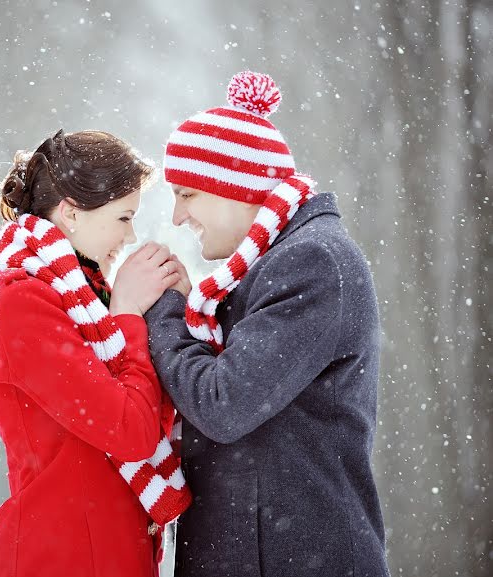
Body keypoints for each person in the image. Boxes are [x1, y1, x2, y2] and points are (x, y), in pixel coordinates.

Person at [121, 72, 391, 576]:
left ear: (236, 188)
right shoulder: (279, 264)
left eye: (187, 194)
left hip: (296, 560)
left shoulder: (310, 262)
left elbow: (223, 404)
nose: (177, 217)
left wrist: (161, 313)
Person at [0, 129, 192, 577]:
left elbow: (149, 411)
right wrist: (130, 314)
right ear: (71, 212)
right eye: (122, 218)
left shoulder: (90, 302)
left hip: (105, 553)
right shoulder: (25, 302)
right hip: (59, 556)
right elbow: (131, 431)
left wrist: (173, 316)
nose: (131, 235)